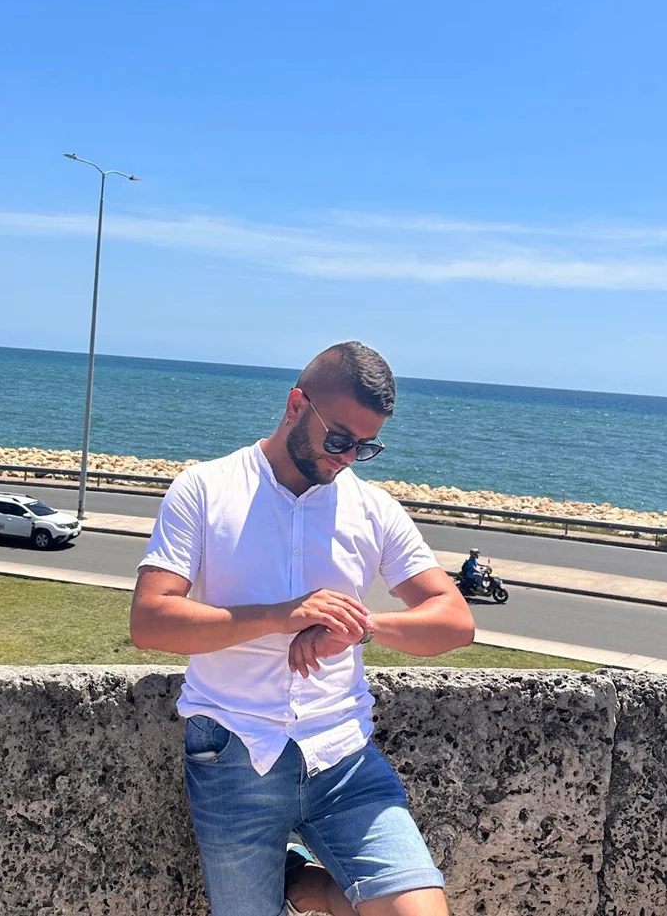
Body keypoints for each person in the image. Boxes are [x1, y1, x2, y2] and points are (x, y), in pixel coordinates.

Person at [131, 341, 475, 916]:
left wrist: (361, 626)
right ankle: (302, 882)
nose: (348, 457)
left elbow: (455, 620)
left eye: (366, 447)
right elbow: (150, 619)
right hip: (234, 750)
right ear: (296, 405)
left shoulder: (373, 509)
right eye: (338, 439)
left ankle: (305, 885)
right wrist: (279, 615)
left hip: (344, 754)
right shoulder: (205, 489)